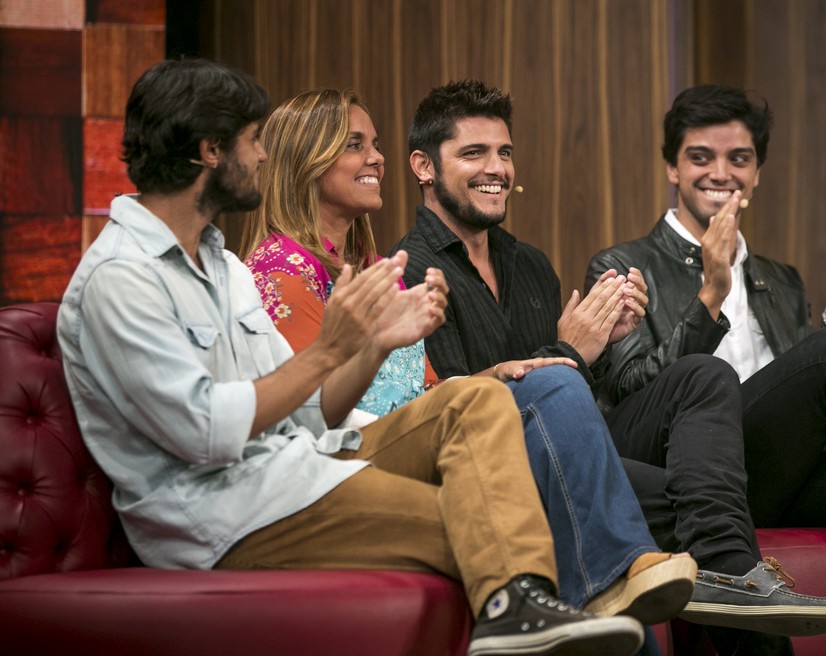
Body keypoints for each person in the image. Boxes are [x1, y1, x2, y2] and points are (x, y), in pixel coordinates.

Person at [55, 58, 665, 656]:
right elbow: (207, 433)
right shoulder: (121, 279)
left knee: (474, 398)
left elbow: (311, 414)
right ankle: (532, 612)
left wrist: (371, 345)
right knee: (502, 526)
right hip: (223, 516)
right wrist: (330, 349)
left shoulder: (220, 266)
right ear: (210, 151)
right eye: (251, 141)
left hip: (300, 466)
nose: (264, 156)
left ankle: (520, 614)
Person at [389, 79, 826, 652]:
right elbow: (452, 409)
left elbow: (579, 394)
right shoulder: (406, 272)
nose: (496, 168)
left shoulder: (529, 265)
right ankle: (730, 571)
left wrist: (603, 346)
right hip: (503, 475)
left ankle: (730, 573)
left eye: (504, 152)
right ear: (424, 167)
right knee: (704, 508)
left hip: (579, 447)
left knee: (706, 377)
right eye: (473, 153)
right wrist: (570, 353)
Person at [237, 88, 699, 638]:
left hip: (438, 440)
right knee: (557, 392)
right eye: (355, 145)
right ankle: (620, 576)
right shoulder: (280, 269)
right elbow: (315, 411)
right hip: (348, 466)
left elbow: (432, 392)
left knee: (658, 424)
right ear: (306, 162)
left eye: (375, 143)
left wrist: (499, 374)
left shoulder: (373, 266)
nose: (376, 158)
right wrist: (553, 359)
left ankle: (639, 581)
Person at [587, 83, 826, 656]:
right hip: (686, 475)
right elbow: (630, 395)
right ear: (672, 168)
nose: (720, 173)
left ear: (758, 174)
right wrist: (710, 295)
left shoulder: (782, 278)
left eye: (739, 159)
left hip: (767, 472)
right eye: (701, 157)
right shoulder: (624, 264)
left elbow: (803, 399)